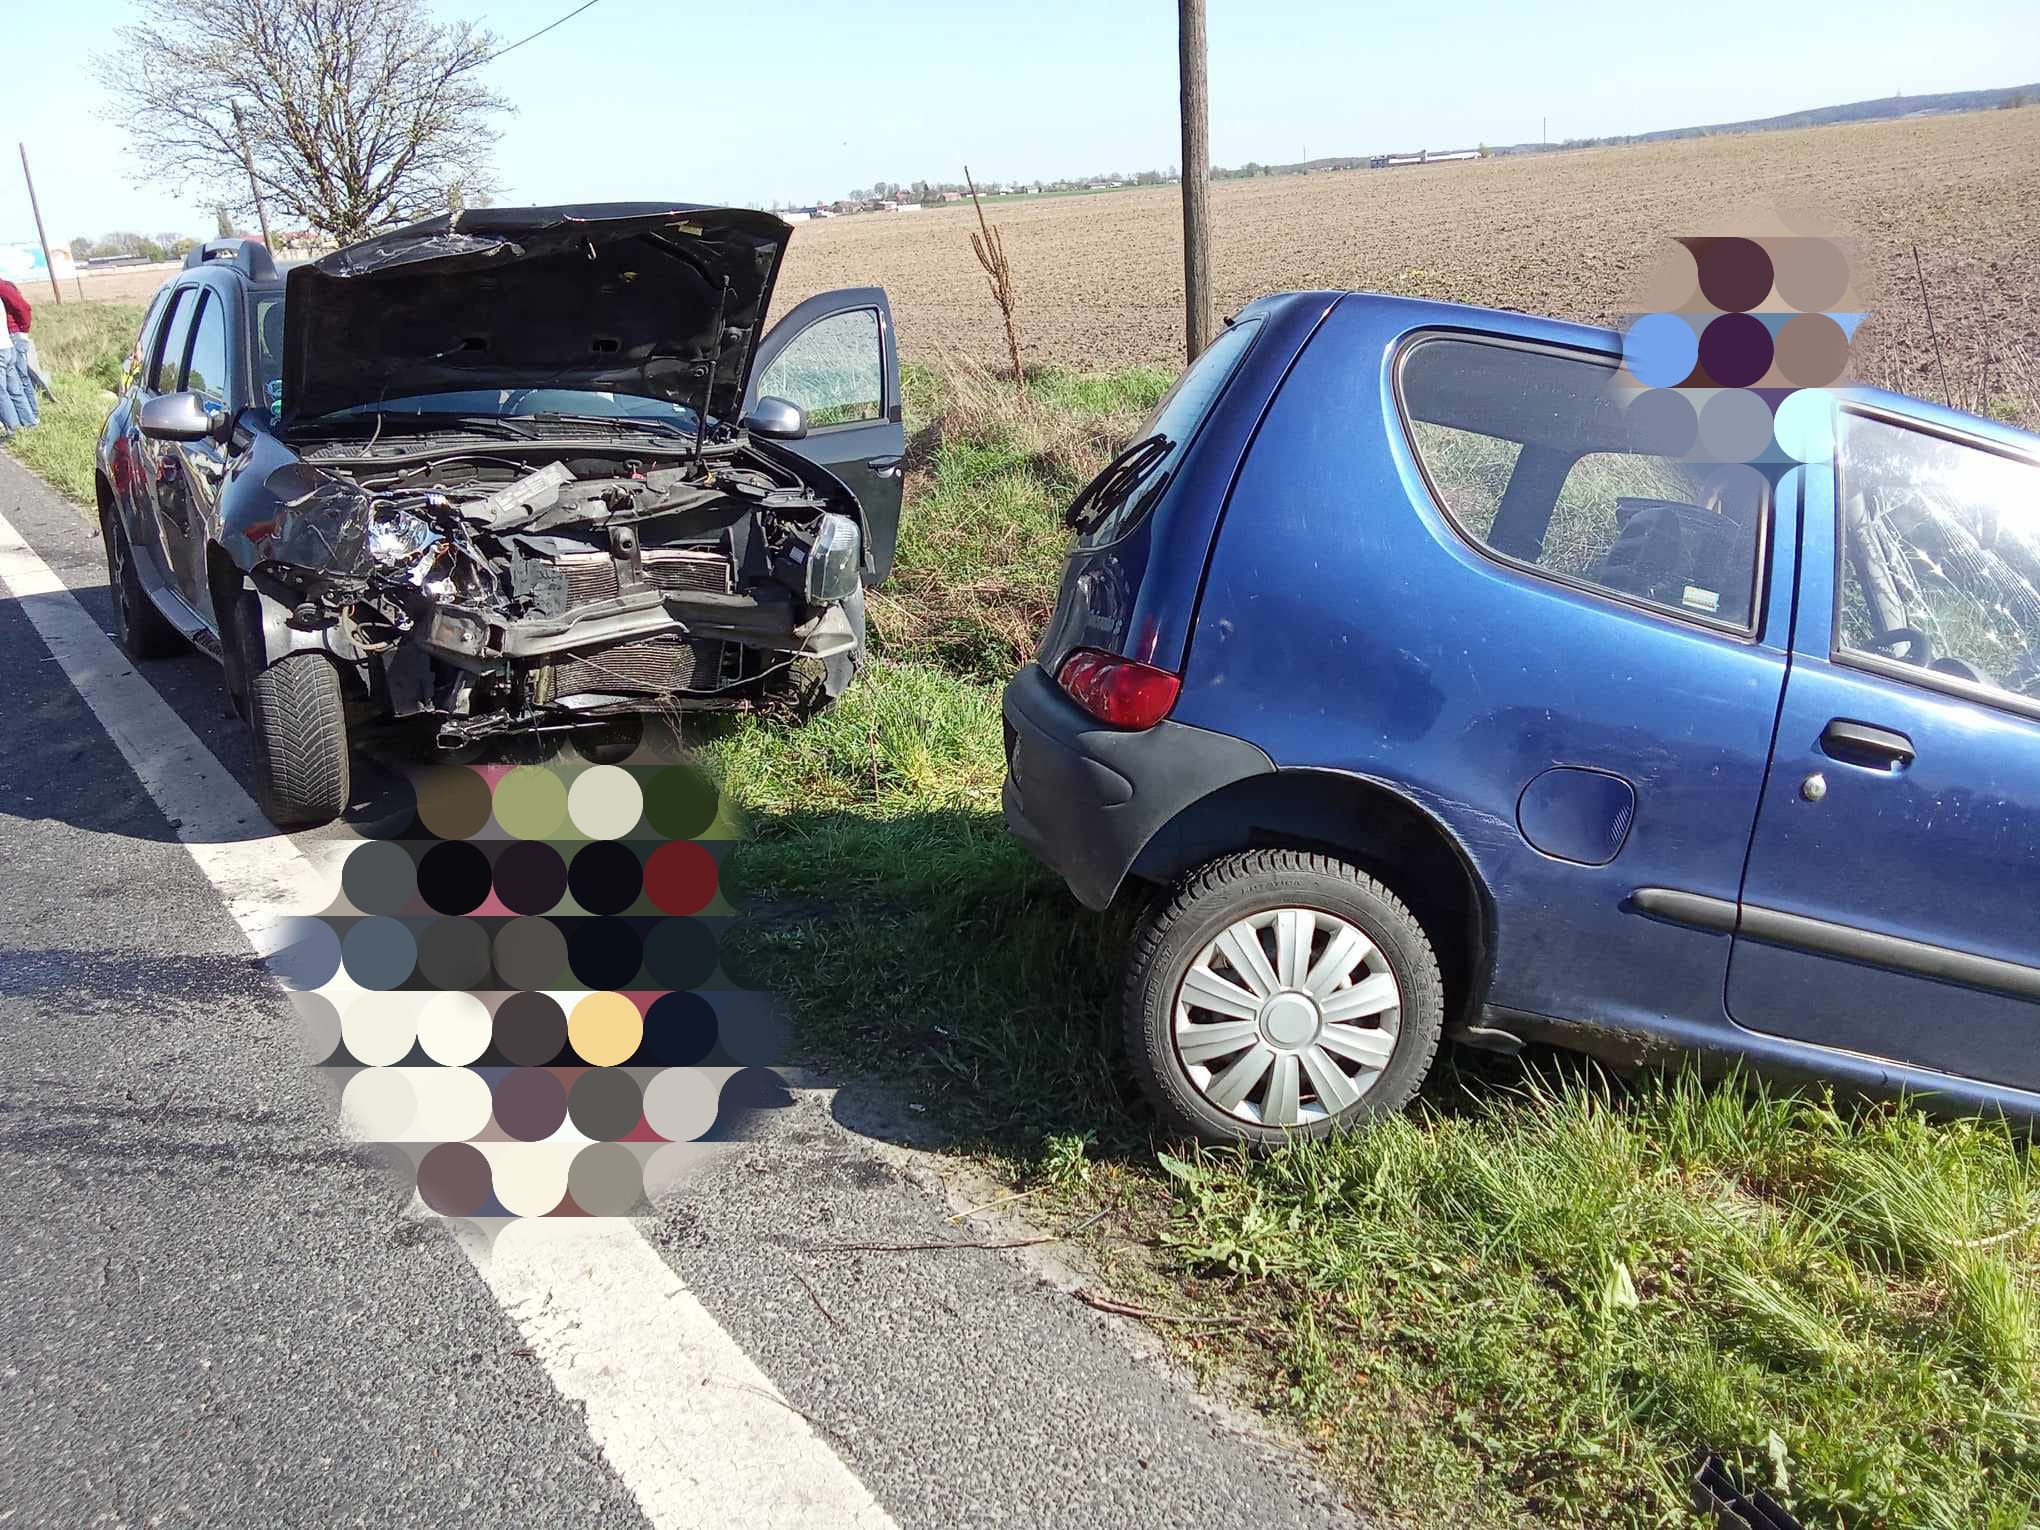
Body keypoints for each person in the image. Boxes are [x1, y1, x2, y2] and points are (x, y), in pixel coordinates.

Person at [0, 276, 39, 431]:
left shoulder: (3, 288)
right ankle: (30, 421)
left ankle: (16, 428)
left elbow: (23, 308)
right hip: (8, 343)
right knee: (15, 386)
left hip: (11, 339)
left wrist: (22, 331)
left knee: (6, 389)